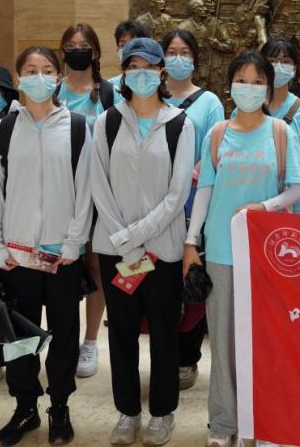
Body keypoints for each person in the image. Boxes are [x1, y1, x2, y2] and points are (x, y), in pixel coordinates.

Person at [182, 52, 300, 447]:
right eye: (241, 79)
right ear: (230, 84)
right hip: (222, 251)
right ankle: (223, 424)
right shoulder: (218, 133)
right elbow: (205, 190)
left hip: (267, 255)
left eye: (257, 81)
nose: (248, 87)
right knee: (223, 342)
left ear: (268, 89)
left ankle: (266, 423)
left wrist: (264, 207)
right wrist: (191, 242)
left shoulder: (281, 133)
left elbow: (296, 188)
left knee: (267, 341)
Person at [0, 46, 93, 446]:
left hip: (62, 255)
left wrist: (74, 243)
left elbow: (86, 189)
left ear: (59, 78)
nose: (39, 77)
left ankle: (59, 406)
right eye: (30, 70)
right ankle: (25, 408)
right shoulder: (4, 130)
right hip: (17, 255)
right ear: (18, 79)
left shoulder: (78, 127)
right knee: (20, 336)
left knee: (64, 333)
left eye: (47, 70)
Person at [90, 38, 195, 446]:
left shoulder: (181, 124)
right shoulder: (108, 122)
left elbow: (176, 195)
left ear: (161, 71)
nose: (141, 74)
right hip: (115, 248)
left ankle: (162, 413)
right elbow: (98, 184)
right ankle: (127, 412)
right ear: (123, 73)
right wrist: (123, 238)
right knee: (121, 332)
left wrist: (134, 236)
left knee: (165, 332)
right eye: (133, 66)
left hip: (162, 250)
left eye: (149, 66)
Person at [161, 28, 224, 390]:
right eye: (172, 51)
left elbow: (214, 150)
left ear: (195, 59)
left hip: (193, 203)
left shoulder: (209, 102)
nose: (178, 58)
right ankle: (163, 353)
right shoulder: (151, 96)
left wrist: (190, 177)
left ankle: (187, 357)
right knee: (159, 281)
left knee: (191, 278)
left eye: (185, 52)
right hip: (155, 204)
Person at [57, 23, 114, 380]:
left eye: (84, 45)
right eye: (70, 45)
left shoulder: (109, 93)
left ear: (95, 52)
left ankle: (90, 342)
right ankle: (61, 338)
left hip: (98, 194)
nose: (77, 50)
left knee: (95, 266)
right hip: (60, 193)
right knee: (61, 268)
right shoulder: (53, 90)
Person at [260, 37, 300, 194]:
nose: (278, 66)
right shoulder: (249, 107)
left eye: (285, 61)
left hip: (291, 195)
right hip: (255, 190)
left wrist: (290, 195)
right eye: (272, 61)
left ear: (294, 68)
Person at [108, 20, 151, 103]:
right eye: (122, 45)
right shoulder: (110, 87)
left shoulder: (154, 83)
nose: (127, 49)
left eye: (133, 44)